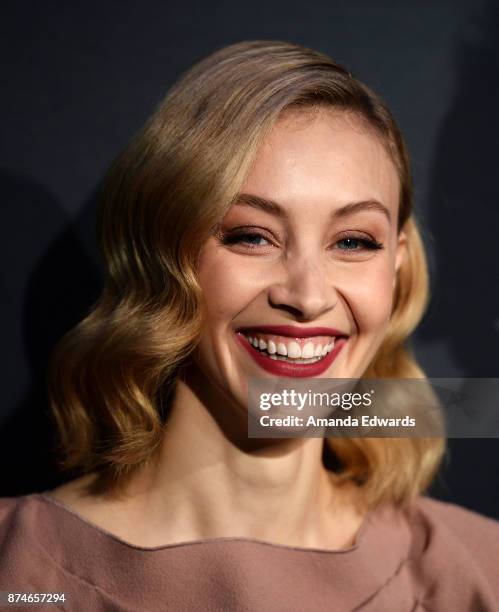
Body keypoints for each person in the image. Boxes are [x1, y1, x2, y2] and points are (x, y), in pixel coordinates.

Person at [1, 40, 498, 611]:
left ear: (399, 267)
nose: (307, 296)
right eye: (250, 236)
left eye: (354, 241)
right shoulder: (17, 569)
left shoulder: (479, 574)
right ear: (163, 253)